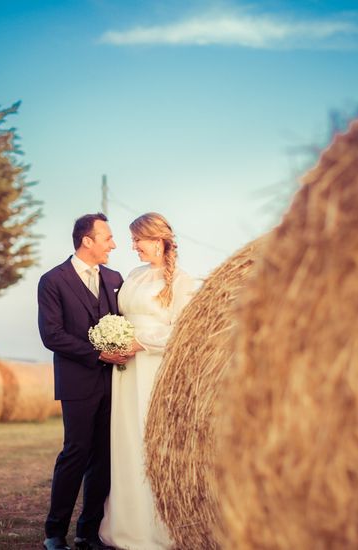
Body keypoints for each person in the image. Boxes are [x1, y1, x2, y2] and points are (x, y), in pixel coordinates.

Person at [99, 213, 199, 550]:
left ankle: (156, 529)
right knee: (125, 441)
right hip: (125, 370)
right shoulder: (134, 275)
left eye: (137, 239)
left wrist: (141, 342)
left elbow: (184, 332)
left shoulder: (183, 281)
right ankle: (126, 526)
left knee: (148, 441)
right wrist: (114, 340)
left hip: (154, 371)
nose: (133, 246)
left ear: (157, 240)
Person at [38, 213, 132, 550]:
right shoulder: (53, 281)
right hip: (77, 382)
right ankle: (55, 532)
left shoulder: (115, 277)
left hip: (116, 383)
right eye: (108, 237)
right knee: (75, 453)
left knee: (105, 457)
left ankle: (88, 532)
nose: (114, 244)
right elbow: (52, 335)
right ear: (87, 241)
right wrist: (98, 355)